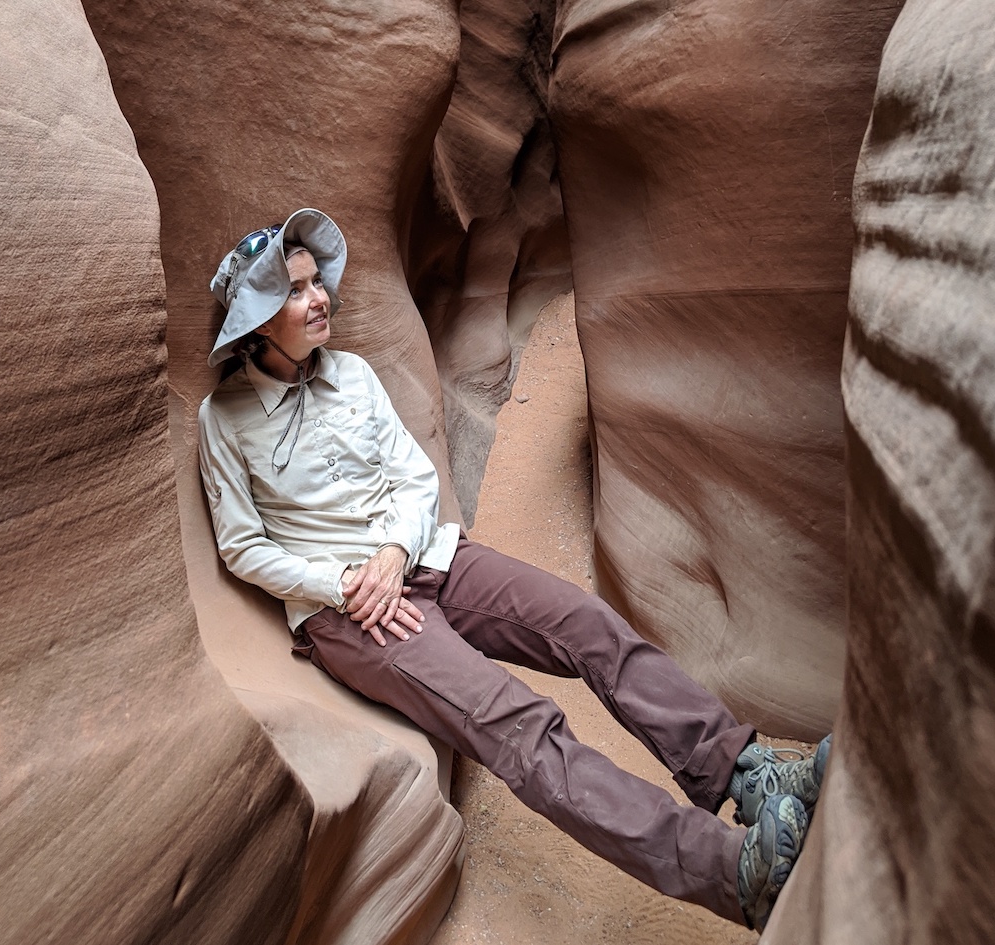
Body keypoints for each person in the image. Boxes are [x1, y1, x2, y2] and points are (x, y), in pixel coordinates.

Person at [198, 208, 831, 932]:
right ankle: (732, 872)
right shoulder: (225, 420)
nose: (320, 300)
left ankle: (749, 772)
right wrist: (342, 585)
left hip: (427, 558)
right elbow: (242, 547)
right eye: (296, 292)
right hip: (357, 615)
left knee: (586, 625)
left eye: (317, 284)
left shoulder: (354, 374)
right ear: (254, 322)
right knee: (518, 725)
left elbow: (413, 477)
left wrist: (396, 552)